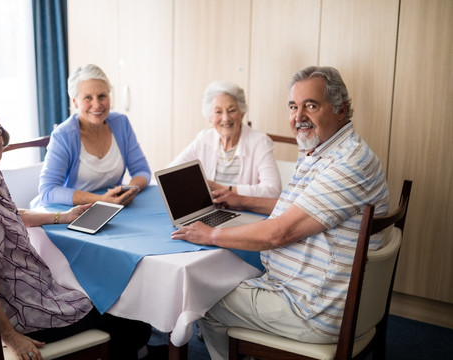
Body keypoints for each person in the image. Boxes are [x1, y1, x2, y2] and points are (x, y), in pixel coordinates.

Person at [171, 66, 390, 360]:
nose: (299, 117)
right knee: (224, 277)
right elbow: (299, 207)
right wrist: (243, 200)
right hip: (316, 292)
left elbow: (280, 233)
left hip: (311, 307)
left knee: (201, 297)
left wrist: (211, 234)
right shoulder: (324, 150)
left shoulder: (347, 163)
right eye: (293, 106)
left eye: (311, 106)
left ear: (341, 110)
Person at [0, 104, 152, 359]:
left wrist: (62, 217)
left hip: (35, 288)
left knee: (113, 299)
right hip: (20, 312)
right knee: (130, 317)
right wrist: (11, 338)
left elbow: (9, 213)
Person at [34, 64, 151, 207]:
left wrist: (128, 191)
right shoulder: (63, 135)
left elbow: (142, 171)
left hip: (112, 207)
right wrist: (101, 200)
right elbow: (48, 191)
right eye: (88, 98)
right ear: (75, 102)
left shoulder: (121, 123)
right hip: (70, 212)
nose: (96, 105)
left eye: (102, 96)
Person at [169, 80, 282, 202]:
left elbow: (274, 190)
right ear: (210, 118)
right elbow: (170, 174)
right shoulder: (204, 139)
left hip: (246, 212)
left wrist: (226, 189)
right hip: (211, 209)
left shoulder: (260, 142)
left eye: (232, 110)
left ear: (242, 113)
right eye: (218, 112)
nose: (226, 118)